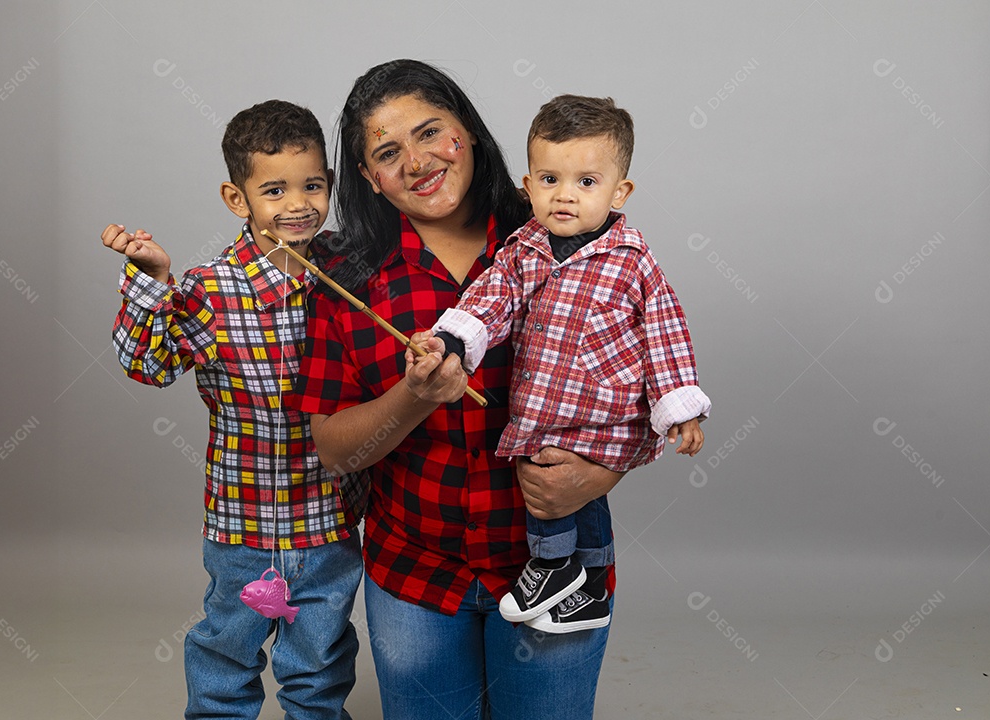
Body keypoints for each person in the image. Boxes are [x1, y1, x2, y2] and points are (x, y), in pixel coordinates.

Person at [288, 60, 623, 719]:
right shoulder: (344, 277)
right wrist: (414, 396)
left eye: (429, 132)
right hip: (414, 578)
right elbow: (335, 450)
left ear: (466, 130)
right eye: (388, 152)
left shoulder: (563, 231)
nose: (415, 162)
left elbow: (644, 384)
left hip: (555, 571)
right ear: (369, 178)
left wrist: (601, 473)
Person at [101, 99, 367, 720]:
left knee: (321, 664)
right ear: (236, 198)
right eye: (275, 189)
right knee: (227, 658)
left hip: (330, 519)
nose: (299, 203)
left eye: (313, 185)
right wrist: (153, 281)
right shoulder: (212, 288)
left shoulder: (346, 271)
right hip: (244, 525)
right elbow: (149, 365)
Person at [420, 94, 711, 634]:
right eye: (549, 180)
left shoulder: (631, 261)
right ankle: (591, 588)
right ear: (528, 187)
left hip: (607, 410)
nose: (565, 197)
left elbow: (665, 332)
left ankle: (553, 567)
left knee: (570, 491)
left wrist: (680, 408)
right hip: (546, 402)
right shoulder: (524, 249)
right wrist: (455, 341)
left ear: (619, 191)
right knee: (551, 475)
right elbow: (492, 298)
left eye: (586, 182)